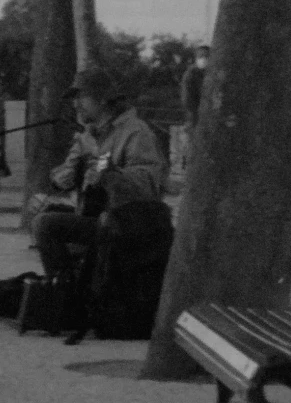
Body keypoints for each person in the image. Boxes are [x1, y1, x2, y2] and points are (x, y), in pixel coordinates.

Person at [33, 65, 167, 276]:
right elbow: (66, 172)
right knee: (46, 214)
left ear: (103, 99)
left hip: (126, 223)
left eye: (81, 97)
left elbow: (149, 184)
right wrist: (60, 180)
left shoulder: (136, 132)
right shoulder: (87, 136)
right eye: (73, 98)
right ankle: (69, 283)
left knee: (46, 225)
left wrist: (109, 175)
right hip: (97, 216)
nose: (75, 105)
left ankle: (68, 292)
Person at [180, 44, 211, 129]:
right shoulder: (191, 74)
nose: (204, 59)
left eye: (207, 56)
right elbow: (187, 98)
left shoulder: (213, 73)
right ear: (196, 58)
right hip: (195, 114)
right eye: (201, 56)